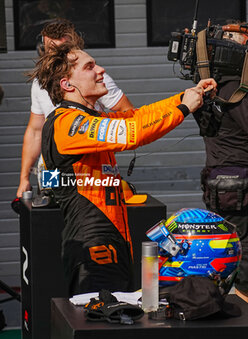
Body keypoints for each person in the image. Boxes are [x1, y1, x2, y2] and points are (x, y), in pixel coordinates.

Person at [32, 41, 216, 296]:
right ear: (67, 84)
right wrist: (185, 108)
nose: (101, 70)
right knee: (102, 327)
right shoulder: (67, 123)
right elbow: (133, 133)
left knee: (120, 325)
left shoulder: (90, 117)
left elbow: (136, 117)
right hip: (93, 247)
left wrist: (183, 97)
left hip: (114, 240)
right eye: (90, 67)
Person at [16, 19, 133, 198]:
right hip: (51, 169)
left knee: (89, 216)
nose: (55, 55)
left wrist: (101, 136)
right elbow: (35, 131)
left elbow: (128, 115)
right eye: (50, 50)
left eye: (61, 50)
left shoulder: (95, 76)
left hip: (88, 170)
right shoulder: (40, 82)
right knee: (51, 216)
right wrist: (24, 178)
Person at [200, 24, 248, 302]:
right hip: (238, 185)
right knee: (244, 255)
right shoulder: (235, 89)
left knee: (231, 251)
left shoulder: (212, 87)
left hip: (221, 183)